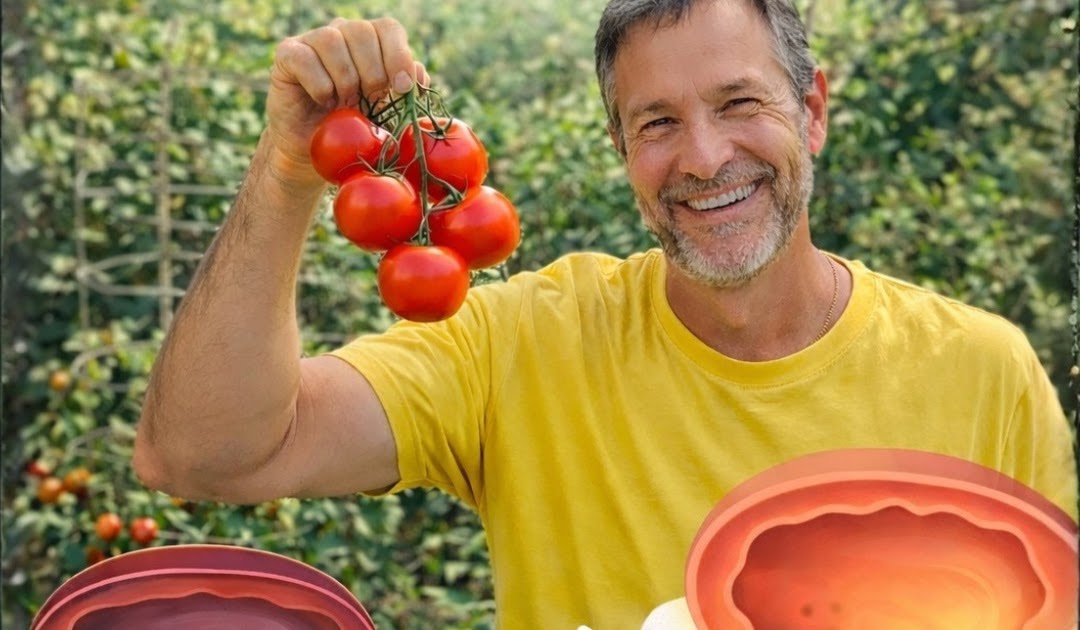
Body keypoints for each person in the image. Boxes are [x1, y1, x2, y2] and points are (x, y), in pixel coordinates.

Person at [132, 0, 1078, 626]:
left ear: (813, 111)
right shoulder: (521, 345)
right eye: (657, 122)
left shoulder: (981, 371)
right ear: (621, 147)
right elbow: (205, 453)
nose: (704, 157)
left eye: (739, 103)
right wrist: (289, 170)